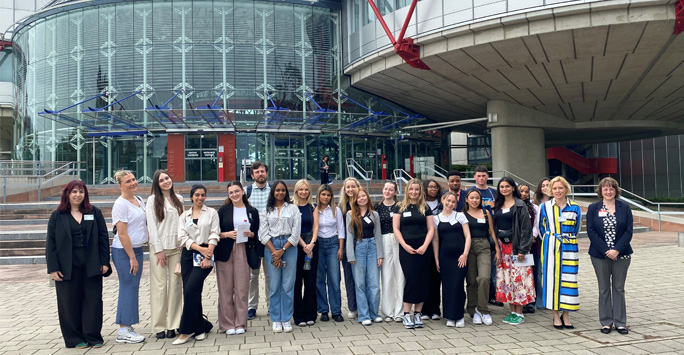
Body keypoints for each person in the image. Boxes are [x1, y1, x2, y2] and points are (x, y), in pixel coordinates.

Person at [46, 181, 109, 349]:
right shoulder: (57, 216)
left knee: (93, 301)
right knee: (68, 303)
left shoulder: (94, 212)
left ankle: (93, 336)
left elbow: (103, 238)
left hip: (92, 265)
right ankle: (74, 338)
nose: (78, 195)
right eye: (74, 192)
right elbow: (50, 244)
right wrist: (53, 268)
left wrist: (104, 262)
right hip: (67, 267)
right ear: (67, 194)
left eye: (81, 192)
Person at [173, 184, 219, 345]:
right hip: (188, 255)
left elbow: (215, 233)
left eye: (203, 195)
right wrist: (199, 248)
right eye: (197, 195)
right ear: (191, 196)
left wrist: (208, 253)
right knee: (191, 292)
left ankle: (185, 331)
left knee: (191, 288)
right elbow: (181, 237)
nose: (200, 198)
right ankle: (200, 328)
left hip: (206, 255)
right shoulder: (184, 216)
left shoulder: (212, 213)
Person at [586, 177, 633, 335]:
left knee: (619, 288)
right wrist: (606, 250)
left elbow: (628, 231)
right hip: (600, 254)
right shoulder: (593, 208)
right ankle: (606, 322)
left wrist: (617, 250)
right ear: (600, 191)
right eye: (605, 189)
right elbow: (591, 231)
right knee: (604, 288)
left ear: (616, 190)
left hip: (622, 254)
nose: (608, 191)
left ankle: (620, 322)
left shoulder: (624, 207)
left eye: (611, 189)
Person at [216, 181, 260, 335]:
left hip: (244, 249)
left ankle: (240, 322)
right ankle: (227, 324)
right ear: (228, 195)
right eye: (231, 192)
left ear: (242, 191)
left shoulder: (252, 211)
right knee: (225, 289)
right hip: (225, 250)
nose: (234, 194)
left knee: (241, 288)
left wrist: (251, 234)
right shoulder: (223, 211)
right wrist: (227, 234)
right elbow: (214, 233)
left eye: (236, 191)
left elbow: (256, 233)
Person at [539, 176, 582, 329]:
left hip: (570, 247)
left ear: (566, 189)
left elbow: (577, 229)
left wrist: (567, 238)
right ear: (551, 190)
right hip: (551, 247)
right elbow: (541, 228)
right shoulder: (545, 207)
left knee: (569, 279)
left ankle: (566, 314)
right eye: (555, 188)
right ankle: (555, 315)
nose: (557, 191)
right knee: (552, 280)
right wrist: (551, 239)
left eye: (560, 188)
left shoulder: (575, 207)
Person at [146, 170, 184, 340]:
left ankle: (173, 325)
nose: (166, 182)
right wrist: (158, 249)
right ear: (157, 183)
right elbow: (152, 226)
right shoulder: (152, 200)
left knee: (175, 287)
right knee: (160, 288)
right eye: (161, 180)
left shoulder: (179, 200)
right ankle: (159, 326)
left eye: (167, 178)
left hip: (177, 248)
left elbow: (183, 223)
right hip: (159, 250)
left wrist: (183, 243)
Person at [259, 181, 301, 333]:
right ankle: (276, 319)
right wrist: (275, 252)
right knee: (275, 285)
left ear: (286, 192)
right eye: (277, 190)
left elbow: (296, 233)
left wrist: (282, 250)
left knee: (288, 285)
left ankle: (286, 319)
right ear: (273, 192)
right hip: (271, 246)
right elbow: (262, 234)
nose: (280, 193)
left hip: (289, 247)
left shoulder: (293, 209)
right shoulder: (265, 211)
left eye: (283, 190)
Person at [492, 177, 535, 326]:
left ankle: (519, 313)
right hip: (502, 249)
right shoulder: (497, 204)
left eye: (507, 186)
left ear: (512, 188)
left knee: (519, 280)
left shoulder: (519, 204)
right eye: (501, 187)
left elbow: (526, 228)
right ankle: (512, 312)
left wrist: (523, 249)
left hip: (516, 248)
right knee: (506, 281)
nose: (504, 189)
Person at [393, 178, 435, 329]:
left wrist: (425, 245)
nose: (414, 192)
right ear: (407, 190)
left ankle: (418, 314)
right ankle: (406, 314)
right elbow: (396, 229)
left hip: (423, 248)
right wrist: (404, 245)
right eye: (411, 189)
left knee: (422, 280)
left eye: (417, 189)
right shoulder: (400, 207)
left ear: (420, 191)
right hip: (406, 248)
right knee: (411, 280)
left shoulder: (425, 207)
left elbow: (431, 229)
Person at [111, 170, 147, 344]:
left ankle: (127, 326)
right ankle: (124, 330)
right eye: (128, 181)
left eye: (133, 179)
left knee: (132, 287)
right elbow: (122, 234)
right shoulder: (121, 204)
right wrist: (132, 257)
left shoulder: (139, 200)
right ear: (120, 185)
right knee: (128, 287)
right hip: (125, 252)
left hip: (137, 249)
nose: (133, 183)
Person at [432, 191, 471, 328]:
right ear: (443, 200)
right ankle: (449, 316)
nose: (450, 204)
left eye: (453, 202)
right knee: (447, 286)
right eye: (448, 201)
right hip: (445, 257)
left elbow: (468, 237)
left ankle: (459, 316)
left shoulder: (460, 216)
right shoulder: (436, 218)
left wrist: (465, 254)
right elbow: (436, 241)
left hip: (460, 257)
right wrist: (437, 259)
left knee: (458, 285)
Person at [346, 187, 384, 326]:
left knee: (374, 283)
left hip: (373, 247)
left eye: (363, 196)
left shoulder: (374, 214)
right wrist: (350, 254)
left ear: (367, 197)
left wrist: (380, 254)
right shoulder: (350, 214)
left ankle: (374, 313)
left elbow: (378, 234)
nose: (362, 198)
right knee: (360, 283)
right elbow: (349, 235)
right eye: (359, 197)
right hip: (359, 248)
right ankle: (363, 315)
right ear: (355, 200)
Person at [463, 189, 501, 326]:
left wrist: (497, 249)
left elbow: (491, 232)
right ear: (467, 199)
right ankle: (473, 311)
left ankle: (483, 309)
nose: (474, 200)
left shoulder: (486, 213)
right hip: (468, 247)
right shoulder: (462, 214)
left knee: (484, 278)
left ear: (481, 200)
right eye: (471, 198)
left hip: (484, 246)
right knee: (471, 280)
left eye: (477, 198)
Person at [468, 166, 501, 307]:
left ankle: (490, 297)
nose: (481, 178)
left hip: (490, 234)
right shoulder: (468, 192)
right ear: (474, 177)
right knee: (473, 277)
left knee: (488, 272)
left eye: (484, 176)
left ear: (487, 177)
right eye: (478, 176)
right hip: (472, 237)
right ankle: (474, 304)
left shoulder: (493, 192)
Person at [315, 184, 346, 322]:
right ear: (319, 195)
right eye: (323, 194)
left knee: (334, 278)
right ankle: (323, 310)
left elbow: (341, 229)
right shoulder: (314, 210)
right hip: (319, 245)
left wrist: (340, 248)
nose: (326, 197)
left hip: (333, 244)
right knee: (319, 279)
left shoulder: (336, 210)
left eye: (328, 195)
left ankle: (336, 310)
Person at [375, 181, 404, 322]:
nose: (387, 191)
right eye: (386, 189)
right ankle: (388, 311)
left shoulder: (400, 206)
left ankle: (400, 312)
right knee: (387, 277)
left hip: (399, 241)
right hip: (384, 241)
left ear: (395, 192)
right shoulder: (377, 208)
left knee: (400, 276)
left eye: (391, 189)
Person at [292, 179, 319, 326]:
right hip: (296, 247)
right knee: (297, 281)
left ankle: (310, 314)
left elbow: (316, 227)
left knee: (310, 281)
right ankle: (299, 315)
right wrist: (304, 245)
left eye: (306, 189)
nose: (303, 192)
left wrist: (312, 243)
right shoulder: (291, 207)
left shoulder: (313, 207)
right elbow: (293, 229)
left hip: (312, 247)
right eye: (301, 189)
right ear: (296, 191)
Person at [246, 161, 270, 320]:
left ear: (266, 173)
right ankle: (251, 306)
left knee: (271, 275)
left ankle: (271, 305)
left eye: (262, 171)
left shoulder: (274, 190)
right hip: (253, 240)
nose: (260, 174)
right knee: (252, 275)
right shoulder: (246, 191)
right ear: (252, 175)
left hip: (270, 239)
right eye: (257, 172)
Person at [338, 177, 360, 319]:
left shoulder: (363, 203)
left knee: (362, 278)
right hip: (347, 246)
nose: (351, 189)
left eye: (353, 186)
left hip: (363, 244)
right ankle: (352, 307)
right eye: (348, 187)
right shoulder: (341, 207)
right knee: (349, 277)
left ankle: (364, 306)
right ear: (344, 190)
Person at [422, 179, 443, 320]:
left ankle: (435, 309)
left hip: (440, 242)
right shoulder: (420, 204)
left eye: (435, 187)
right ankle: (424, 310)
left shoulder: (442, 203)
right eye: (430, 187)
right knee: (424, 277)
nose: (433, 189)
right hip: (424, 242)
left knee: (436, 276)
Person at [518, 183, 540, 314]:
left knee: (532, 272)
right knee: (520, 274)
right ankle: (522, 300)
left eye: (526, 191)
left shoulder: (535, 208)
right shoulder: (513, 205)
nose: (524, 194)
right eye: (521, 191)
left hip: (531, 244)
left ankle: (531, 302)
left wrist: (533, 236)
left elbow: (536, 225)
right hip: (518, 245)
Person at [533, 177, 550, 310]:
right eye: (543, 185)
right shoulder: (535, 204)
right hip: (538, 241)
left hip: (554, 241)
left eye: (548, 185)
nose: (545, 187)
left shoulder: (558, 203)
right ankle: (540, 299)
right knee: (539, 272)